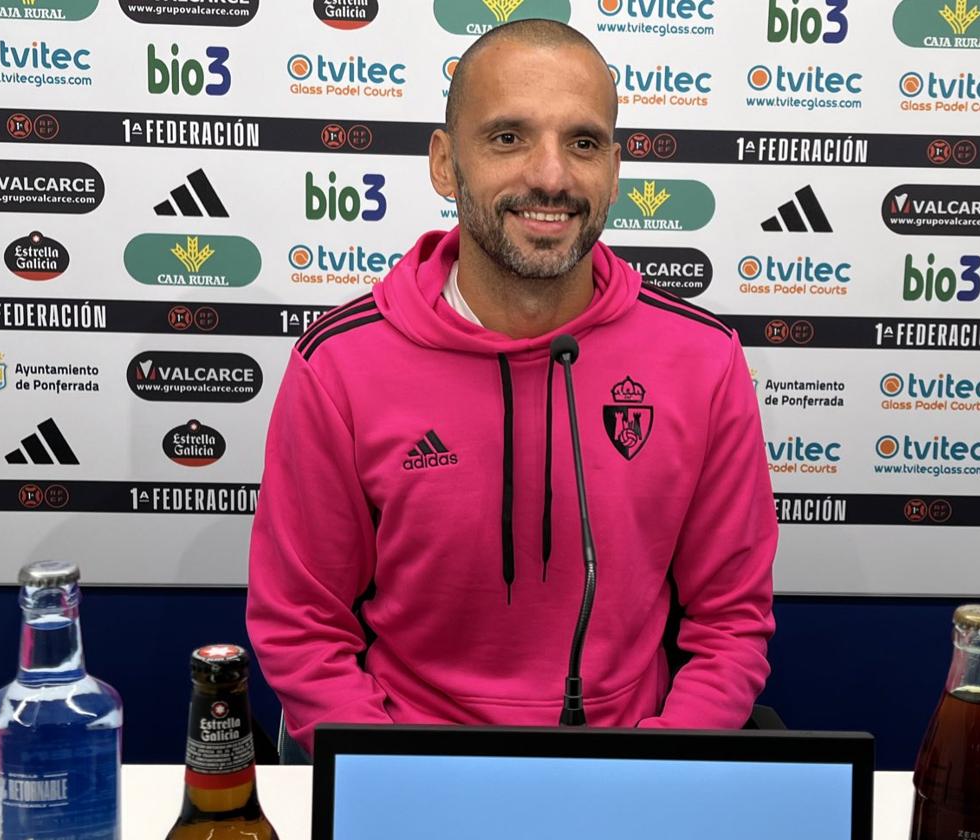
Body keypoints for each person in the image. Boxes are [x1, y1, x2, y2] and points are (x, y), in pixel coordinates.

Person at [247, 19, 777, 754]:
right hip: (407, 766)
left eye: (583, 143)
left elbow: (729, 626)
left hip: (629, 768)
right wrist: (390, 780)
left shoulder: (703, 358)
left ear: (615, 171)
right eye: (508, 138)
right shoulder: (339, 364)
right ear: (444, 162)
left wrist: (657, 774)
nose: (551, 177)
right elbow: (303, 626)